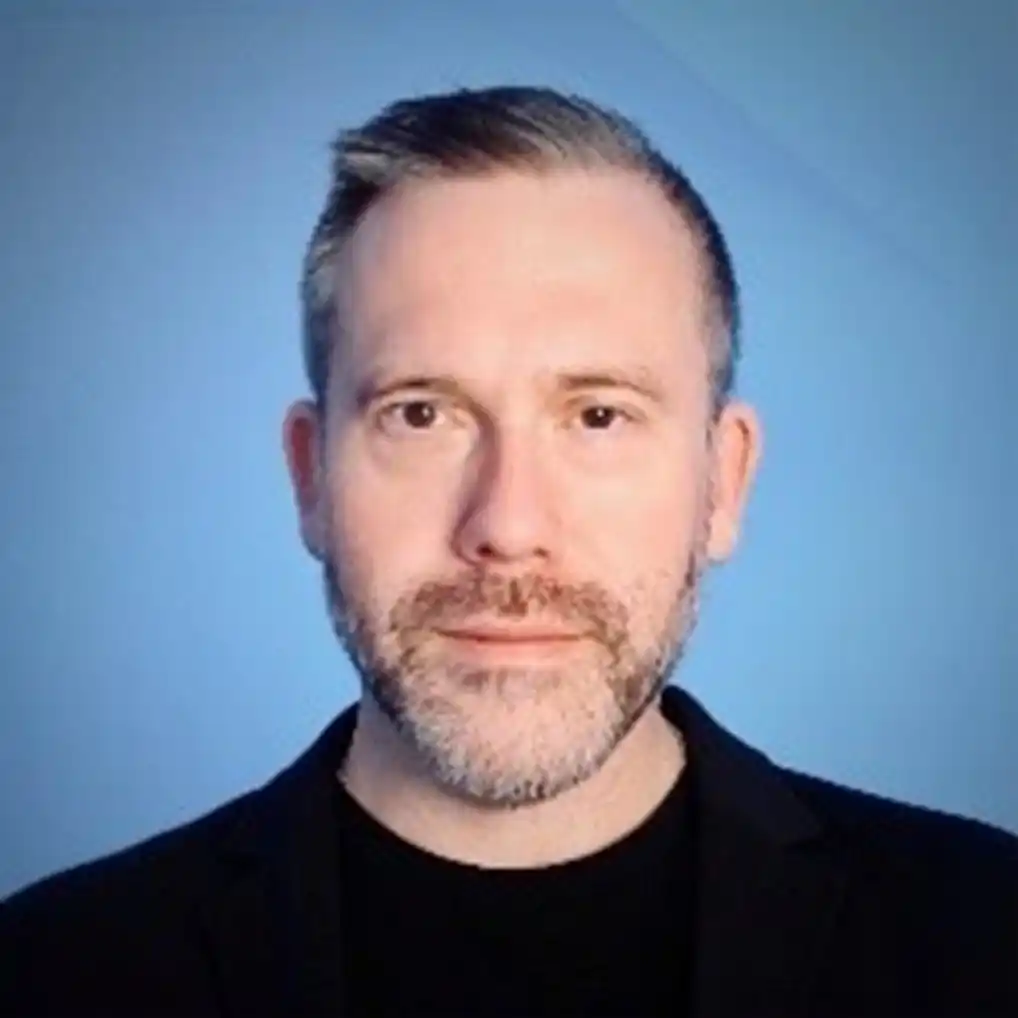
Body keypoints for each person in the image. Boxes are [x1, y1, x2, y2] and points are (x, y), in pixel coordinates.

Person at [1, 84, 1015, 1018]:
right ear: (310, 477)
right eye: (421, 413)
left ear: (725, 483)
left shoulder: (984, 936)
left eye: (599, 416)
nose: (508, 524)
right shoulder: (51, 973)